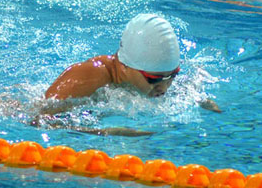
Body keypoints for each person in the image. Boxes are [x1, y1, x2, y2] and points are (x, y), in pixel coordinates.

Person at [39, 13, 222, 120]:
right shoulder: (89, 75)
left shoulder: (155, 78)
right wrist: (107, 133)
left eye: (172, 76)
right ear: (125, 66)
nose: (164, 88)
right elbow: (39, 119)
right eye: (154, 79)